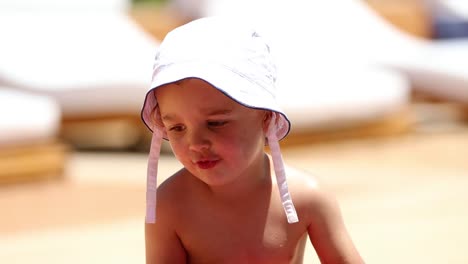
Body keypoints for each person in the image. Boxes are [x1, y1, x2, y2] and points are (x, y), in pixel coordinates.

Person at [141, 16, 364, 264]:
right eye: (176, 127)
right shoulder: (171, 206)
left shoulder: (307, 198)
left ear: (266, 118)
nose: (195, 143)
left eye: (215, 123)